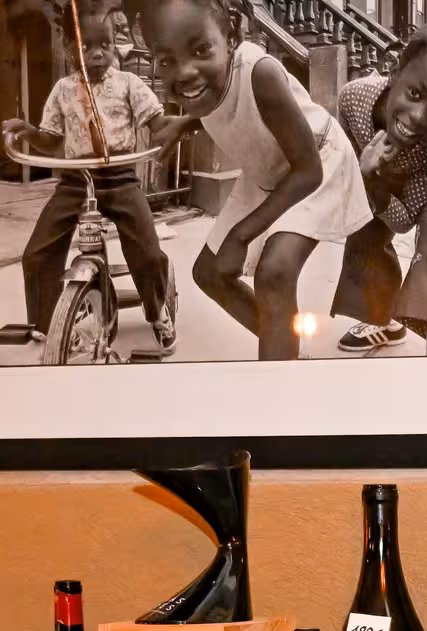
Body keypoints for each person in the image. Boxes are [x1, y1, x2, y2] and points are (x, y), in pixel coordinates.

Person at [142, 0, 371, 361]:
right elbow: (225, 100)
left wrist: (241, 233)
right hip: (269, 170)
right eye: (166, 60)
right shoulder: (208, 83)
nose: (184, 72)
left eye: (201, 49)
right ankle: (283, 348)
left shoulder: (260, 73)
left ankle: (278, 379)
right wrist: (185, 123)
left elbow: (308, 171)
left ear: (232, 35)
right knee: (209, 273)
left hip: (317, 162)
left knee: (275, 273)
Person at [2, 0, 179, 353]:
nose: (97, 54)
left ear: (116, 47)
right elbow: (51, 140)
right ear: (70, 49)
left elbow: (157, 123)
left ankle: (157, 310)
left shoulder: (129, 84)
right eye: (87, 46)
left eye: (105, 45)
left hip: (120, 179)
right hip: (75, 182)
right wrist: (27, 130)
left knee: (147, 251)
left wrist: (182, 124)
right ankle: (49, 323)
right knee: (37, 252)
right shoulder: (63, 90)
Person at [330, 6, 427, 353]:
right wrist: (366, 178)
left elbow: (403, 221)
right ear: (395, 71)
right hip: (390, 167)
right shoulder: (353, 99)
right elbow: (346, 181)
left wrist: (374, 182)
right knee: (364, 218)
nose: (418, 117)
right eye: (414, 94)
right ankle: (383, 321)